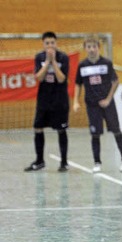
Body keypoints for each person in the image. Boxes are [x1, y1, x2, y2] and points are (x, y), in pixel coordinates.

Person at [73, 35, 122, 173]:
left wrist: (108, 99)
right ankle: (97, 162)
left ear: (98, 47)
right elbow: (78, 84)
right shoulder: (82, 65)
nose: (91, 49)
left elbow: (115, 82)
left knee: (116, 130)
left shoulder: (106, 63)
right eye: (89, 47)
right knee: (95, 134)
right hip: (92, 105)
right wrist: (75, 101)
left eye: (94, 46)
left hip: (107, 104)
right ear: (85, 48)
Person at [24, 31, 70, 172]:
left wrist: (54, 62)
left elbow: (62, 78)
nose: (50, 46)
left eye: (52, 43)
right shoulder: (39, 57)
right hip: (44, 99)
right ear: (43, 45)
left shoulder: (63, 57)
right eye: (47, 43)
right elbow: (39, 77)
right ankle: (39, 161)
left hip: (60, 100)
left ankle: (63, 162)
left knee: (61, 129)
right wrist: (47, 63)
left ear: (56, 44)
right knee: (38, 127)